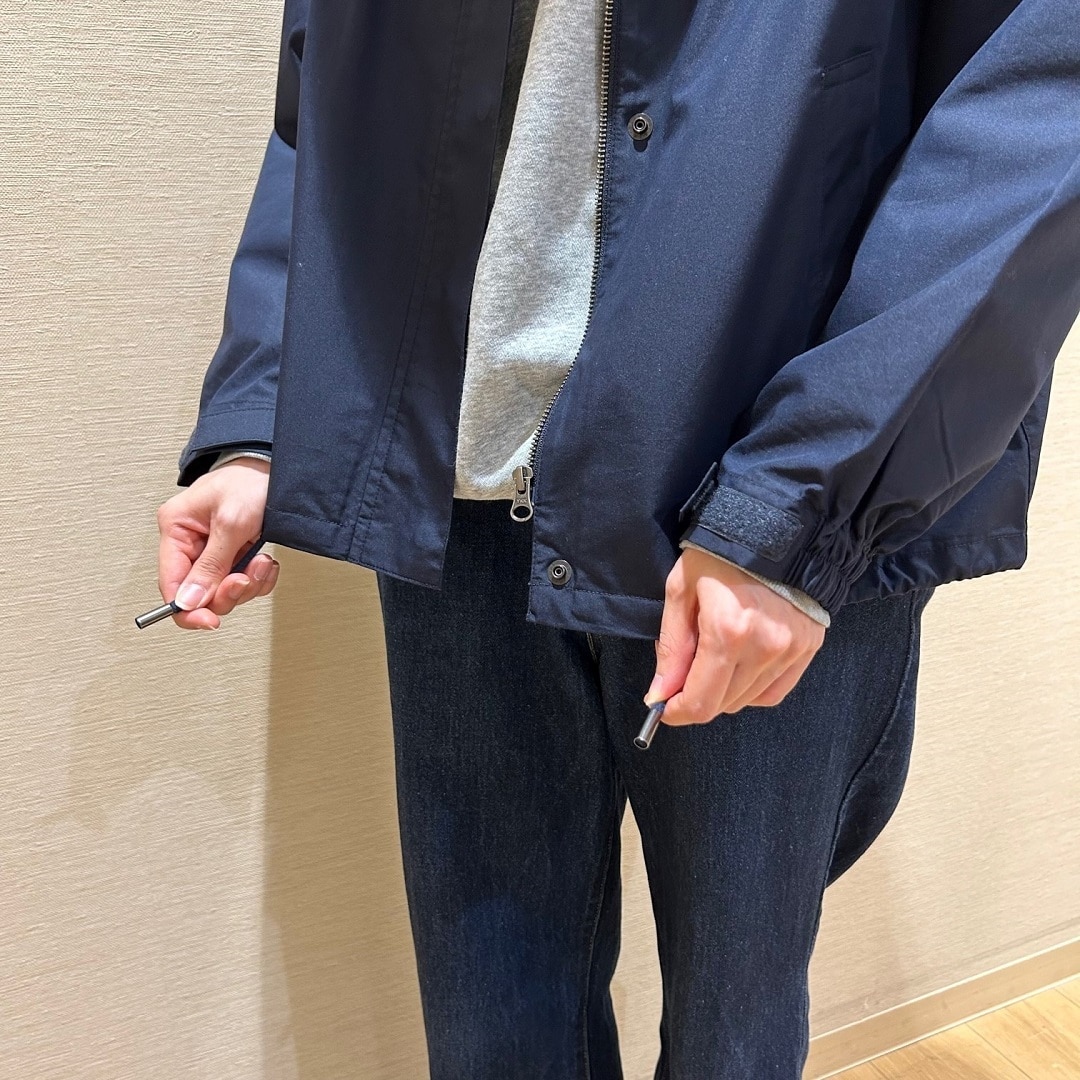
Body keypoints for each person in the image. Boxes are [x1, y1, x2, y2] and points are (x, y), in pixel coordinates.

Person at [154, 1, 1080, 1075]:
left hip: (743, 486)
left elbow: (1035, 110)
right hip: (456, 479)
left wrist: (798, 499)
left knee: (732, 1029)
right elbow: (330, 93)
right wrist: (268, 416)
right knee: (492, 1027)